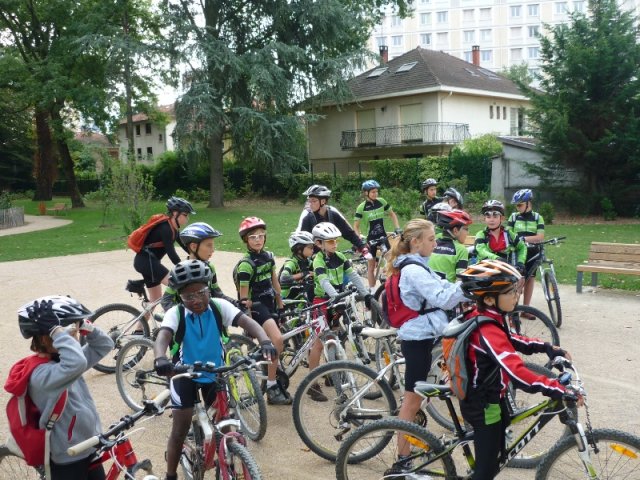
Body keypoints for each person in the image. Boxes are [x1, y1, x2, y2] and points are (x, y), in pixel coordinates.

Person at [153, 260, 276, 480]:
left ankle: (228, 459)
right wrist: (160, 358)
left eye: (201, 292)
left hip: (214, 372)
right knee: (180, 427)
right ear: (180, 296)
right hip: (183, 373)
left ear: (209, 288)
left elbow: (249, 323)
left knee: (225, 422)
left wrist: (265, 340)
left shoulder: (219, 306)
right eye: (188, 296)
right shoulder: (176, 313)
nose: (197, 300)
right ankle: (170, 474)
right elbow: (163, 336)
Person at [455, 259, 577, 479]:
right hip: (483, 404)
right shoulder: (487, 330)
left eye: (516, 290)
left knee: (496, 453)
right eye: (511, 292)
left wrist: (548, 348)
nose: (516, 296)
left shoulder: (492, 317)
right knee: (486, 472)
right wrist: (554, 386)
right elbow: (516, 371)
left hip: (493, 397)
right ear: (490, 298)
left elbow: (514, 340)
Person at [383, 218, 467, 475]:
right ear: (416, 242)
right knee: (411, 402)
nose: (435, 243)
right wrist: (471, 285)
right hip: (417, 339)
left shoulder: (420, 264)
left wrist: (466, 283)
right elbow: (442, 298)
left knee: (417, 398)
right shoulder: (413, 270)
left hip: (426, 335)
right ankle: (402, 462)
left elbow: (443, 286)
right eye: (431, 239)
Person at [10, 296, 114, 480]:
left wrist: (84, 325)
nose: (75, 339)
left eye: (74, 332)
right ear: (46, 337)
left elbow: (105, 345)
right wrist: (58, 331)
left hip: (88, 445)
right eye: (70, 334)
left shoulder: (62, 363)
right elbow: (77, 361)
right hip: (67, 456)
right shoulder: (42, 375)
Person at [307, 222, 372, 402]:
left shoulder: (341, 257)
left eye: (335, 241)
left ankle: (332, 374)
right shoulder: (318, 260)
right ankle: (312, 383)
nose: (335, 245)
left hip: (336, 301)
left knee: (334, 338)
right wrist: (335, 295)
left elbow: (353, 275)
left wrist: (366, 294)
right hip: (322, 302)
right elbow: (323, 281)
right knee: (320, 343)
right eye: (330, 242)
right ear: (319, 244)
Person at [235, 216, 291, 405]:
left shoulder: (268, 257)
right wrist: (248, 322)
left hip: (270, 304)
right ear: (246, 240)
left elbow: (275, 282)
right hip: (258, 308)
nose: (258, 239)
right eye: (253, 237)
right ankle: (272, 385)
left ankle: (265, 362)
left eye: (261, 236)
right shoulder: (246, 265)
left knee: (279, 344)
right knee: (277, 341)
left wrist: (281, 305)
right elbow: (244, 298)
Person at [161, 222, 236, 311]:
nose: (213, 250)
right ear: (193, 247)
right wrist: (183, 316)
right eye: (209, 245)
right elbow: (166, 301)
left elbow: (217, 294)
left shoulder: (210, 267)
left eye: (213, 245)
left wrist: (236, 303)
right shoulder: (181, 271)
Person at [133, 196, 194, 304]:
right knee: (179, 285)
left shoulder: (174, 228)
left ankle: (141, 321)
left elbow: (184, 245)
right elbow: (172, 254)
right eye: (185, 215)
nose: (187, 218)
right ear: (175, 213)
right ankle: (169, 315)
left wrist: (196, 255)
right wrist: (182, 268)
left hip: (148, 263)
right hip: (147, 263)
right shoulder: (165, 228)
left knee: (155, 300)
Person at [353, 180, 401, 292]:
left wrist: (397, 227)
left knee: (391, 261)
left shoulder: (382, 202)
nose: (376, 194)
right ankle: (373, 290)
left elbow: (392, 214)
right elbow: (356, 226)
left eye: (377, 192)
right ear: (366, 193)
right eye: (373, 192)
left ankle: (392, 286)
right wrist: (359, 238)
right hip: (371, 240)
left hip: (383, 237)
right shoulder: (361, 207)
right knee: (371, 266)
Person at [297, 184, 370, 256]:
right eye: (309, 201)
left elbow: (349, 233)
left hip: (331, 254)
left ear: (323, 201)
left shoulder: (333, 215)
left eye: (313, 201)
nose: (310, 204)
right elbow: (303, 243)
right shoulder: (308, 219)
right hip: (314, 257)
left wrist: (362, 246)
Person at [508, 189, 545, 308]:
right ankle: (514, 309)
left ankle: (526, 309)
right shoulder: (513, 217)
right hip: (518, 252)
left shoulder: (538, 218)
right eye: (516, 205)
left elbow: (539, 237)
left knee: (530, 279)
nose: (517, 208)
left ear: (528, 203)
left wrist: (522, 238)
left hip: (533, 252)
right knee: (519, 279)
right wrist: (526, 239)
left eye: (520, 205)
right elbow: (509, 235)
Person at [474, 200, 527, 273]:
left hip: (504, 272)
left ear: (502, 218)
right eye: (488, 217)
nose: (491, 220)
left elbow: (522, 247)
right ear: (484, 219)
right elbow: (481, 250)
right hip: (484, 271)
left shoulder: (509, 234)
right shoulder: (481, 234)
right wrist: (497, 258)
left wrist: (520, 262)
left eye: (495, 216)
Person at [429, 209, 474, 282]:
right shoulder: (461, 250)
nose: (468, 233)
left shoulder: (432, 243)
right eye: (466, 229)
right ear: (455, 230)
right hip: (447, 291)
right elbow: (460, 281)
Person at [279, 231, 315, 303]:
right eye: (310, 247)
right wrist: (304, 274)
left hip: (299, 294)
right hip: (286, 297)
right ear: (299, 250)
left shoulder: (307, 261)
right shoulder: (291, 263)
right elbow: (283, 278)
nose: (313, 250)